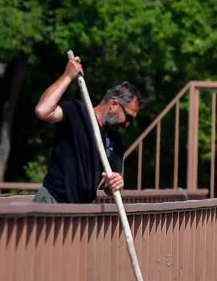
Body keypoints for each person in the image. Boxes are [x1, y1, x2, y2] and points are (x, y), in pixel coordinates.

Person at [32, 56, 143, 203]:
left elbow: (109, 188)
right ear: (113, 104)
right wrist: (68, 76)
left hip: (82, 210)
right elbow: (42, 110)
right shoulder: (76, 112)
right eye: (128, 117)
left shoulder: (115, 141)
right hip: (53, 201)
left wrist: (116, 183)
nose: (127, 124)